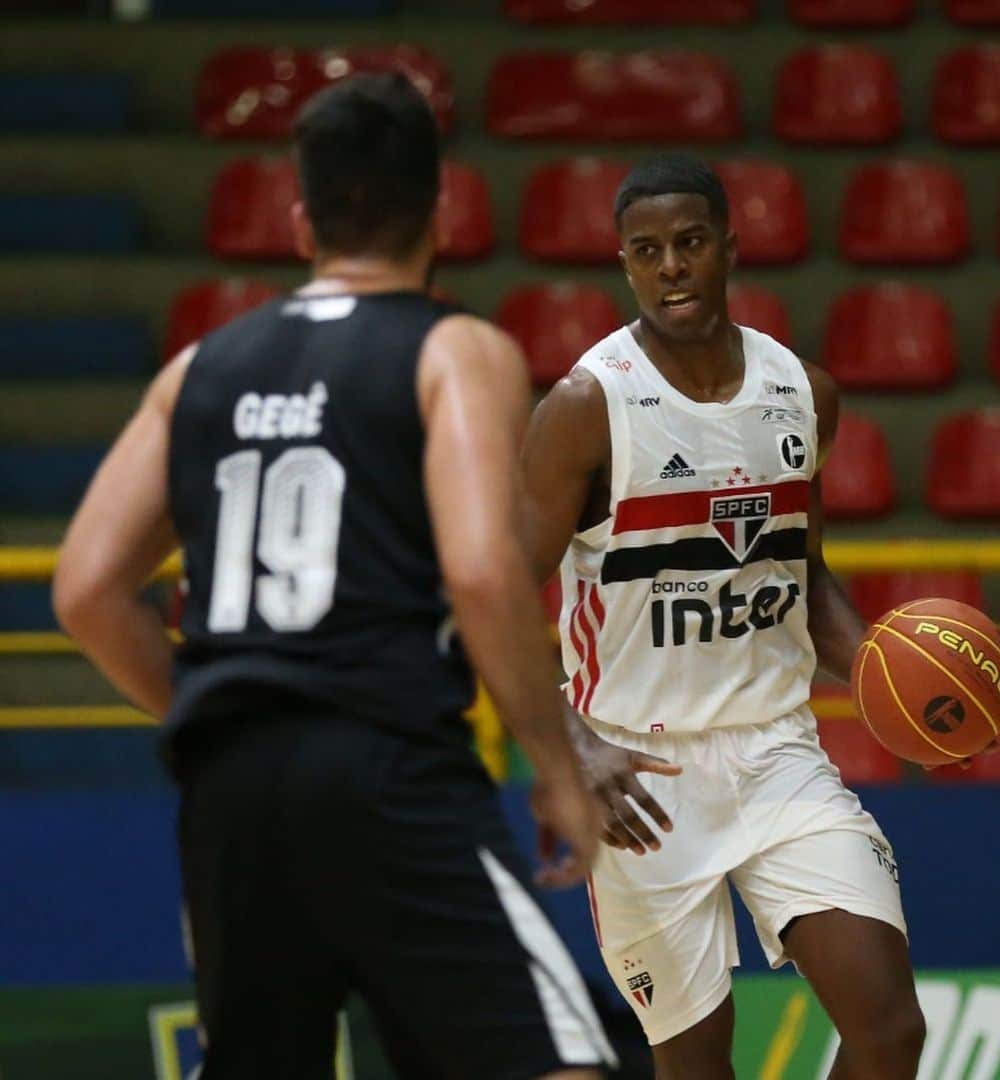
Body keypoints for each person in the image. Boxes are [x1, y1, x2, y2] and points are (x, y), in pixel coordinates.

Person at [52, 73, 616, 1080]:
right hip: (389, 768)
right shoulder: (457, 350)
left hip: (230, 795)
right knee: (555, 1064)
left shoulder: (197, 368)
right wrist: (557, 767)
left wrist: (212, 711)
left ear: (302, 218)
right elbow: (484, 574)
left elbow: (87, 591)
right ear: (440, 210)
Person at [521, 154, 928, 1080]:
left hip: (776, 751)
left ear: (729, 249)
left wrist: (887, 684)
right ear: (624, 265)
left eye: (691, 243)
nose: (671, 266)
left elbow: (803, 572)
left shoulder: (802, 393)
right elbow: (501, 594)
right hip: (639, 776)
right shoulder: (588, 407)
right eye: (647, 250)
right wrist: (571, 743)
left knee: (891, 1032)